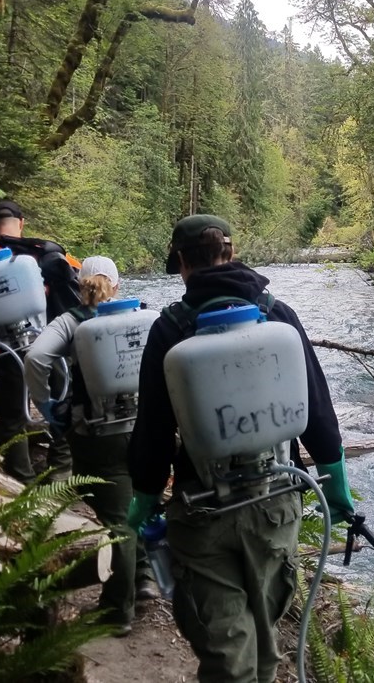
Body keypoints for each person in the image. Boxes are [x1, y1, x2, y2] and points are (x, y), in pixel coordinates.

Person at [125, 214, 355, 683]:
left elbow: (152, 430)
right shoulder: (278, 315)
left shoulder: (170, 328)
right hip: (276, 505)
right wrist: (337, 490)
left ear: (183, 263)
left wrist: (145, 500)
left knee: (226, 649)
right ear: (230, 253)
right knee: (263, 636)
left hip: (202, 508)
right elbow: (318, 414)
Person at [21, 256, 158, 636]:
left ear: (79, 284)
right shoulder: (144, 317)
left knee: (117, 521)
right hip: (149, 430)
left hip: (99, 434)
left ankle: (118, 610)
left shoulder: (72, 322)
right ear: (117, 284)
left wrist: (48, 407)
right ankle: (144, 577)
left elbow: (35, 359)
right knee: (136, 500)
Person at [0, 199, 82, 482]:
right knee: (62, 405)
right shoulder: (45, 251)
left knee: (12, 418)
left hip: (4, 351)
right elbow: (79, 279)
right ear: (22, 223)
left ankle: (21, 481)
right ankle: (59, 474)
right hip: (51, 345)